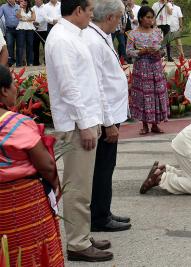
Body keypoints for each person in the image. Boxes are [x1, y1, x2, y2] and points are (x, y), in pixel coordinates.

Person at [45, 0, 113, 262]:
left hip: (85, 120)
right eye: (90, 12)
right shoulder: (62, 39)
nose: (91, 17)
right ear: (77, 11)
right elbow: (69, 86)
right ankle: (76, 243)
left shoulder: (75, 36)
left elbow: (88, 81)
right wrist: (85, 125)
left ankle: (81, 234)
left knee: (85, 184)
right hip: (76, 125)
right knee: (77, 186)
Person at [0, 65, 64, 266]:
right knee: (32, 252)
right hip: (23, 201)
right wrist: (55, 184)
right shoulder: (16, 124)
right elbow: (45, 164)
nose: (16, 89)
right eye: (13, 85)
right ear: (3, 90)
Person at [82, 0, 132, 233]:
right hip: (105, 117)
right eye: (119, 17)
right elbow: (98, 85)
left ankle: (104, 210)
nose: (120, 22)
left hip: (111, 113)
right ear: (110, 17)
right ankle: (99, 217)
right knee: (102, 167)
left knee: (107, 165)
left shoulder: (100, 35)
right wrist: (109, 122)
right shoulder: (93, 40)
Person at [126, 6, 169, 135]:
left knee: (156, 94)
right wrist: (141, 51)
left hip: (156, 67)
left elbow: (164, 51)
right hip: (142, 68)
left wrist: (159, 52)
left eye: (152, 17)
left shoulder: (157, 32)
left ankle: (155, 124)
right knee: (144, 94)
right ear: (141, 18)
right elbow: (128, 52)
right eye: (148, 17)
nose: (151, 20)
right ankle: (144, 125)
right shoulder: (133, 34)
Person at [0, 0, 20, 67]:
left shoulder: (19, 6)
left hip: (19, 29)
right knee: (9, 46)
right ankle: (10, 63)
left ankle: (18, 63)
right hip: (9, 29)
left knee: (19, 46)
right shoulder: (3, 7)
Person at [15, 0, 34, 67]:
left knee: (30, 46)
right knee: (20, 46)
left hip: (30, 29)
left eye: (26, 1)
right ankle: (19, 63)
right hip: (21, 28)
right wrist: (20, 8)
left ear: (28, 2)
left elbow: (34, 18)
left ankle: (30, 62)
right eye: (23, 1)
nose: (24, 2)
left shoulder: (31, 9)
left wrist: (24, 19)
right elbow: (17, 16)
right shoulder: (19, 9)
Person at [31, 0, 48, 66]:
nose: (36, 1)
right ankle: (36, 63)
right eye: (35, 0)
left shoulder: (46, 7)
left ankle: (46, 62)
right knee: (35, 48)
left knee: (46, 47)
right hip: (35, 31)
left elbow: (46, 18)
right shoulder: (32, 8)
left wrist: (39, 23)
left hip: (44, 30)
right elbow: (30, 18)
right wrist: (33, 23)